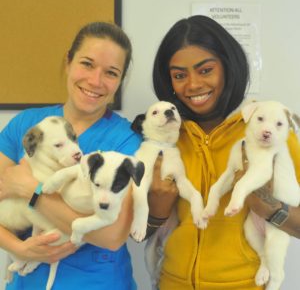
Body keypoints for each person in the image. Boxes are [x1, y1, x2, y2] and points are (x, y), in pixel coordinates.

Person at [146, 15, 300, 290]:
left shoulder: (271, 131)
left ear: (228, 68)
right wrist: (155, 214)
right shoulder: (166, 138)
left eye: (205, 70)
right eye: (180, 75)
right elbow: (128, 230)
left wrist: (273, 210)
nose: (193, 85)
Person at [0, 21, 142, 289]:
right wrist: (18, 249)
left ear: (120, 81)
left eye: (111, 72)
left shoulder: (126, 141)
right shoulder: (26, 125)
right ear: (68, 61)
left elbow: (111, 234)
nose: (95, 81)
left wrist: (31, 190)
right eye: (87, 64)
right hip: (28, 282)